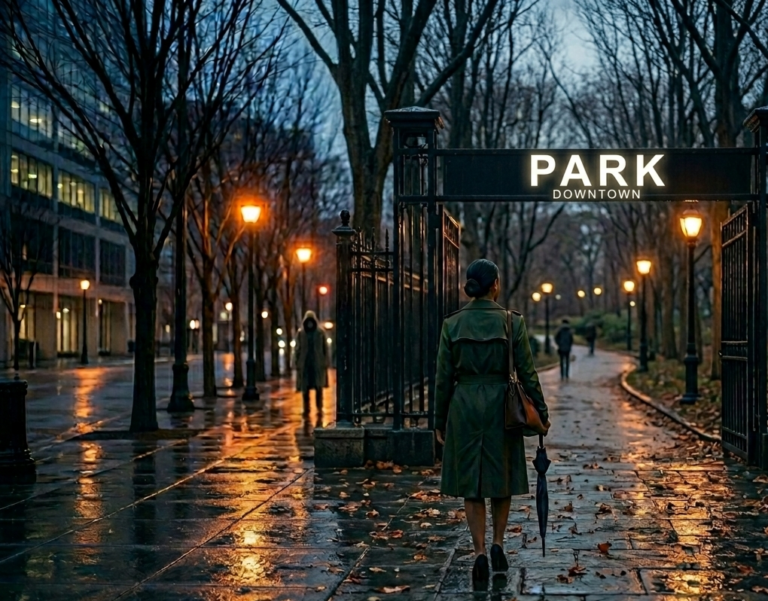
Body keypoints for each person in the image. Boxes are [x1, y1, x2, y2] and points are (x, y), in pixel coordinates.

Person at [434, 259, 550, 584]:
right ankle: (499, 542)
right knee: (502, 476)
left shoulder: (452, 324)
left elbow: (443, 377)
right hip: (502, 405)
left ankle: (480, 551)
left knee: (472, 483)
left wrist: (438, 419)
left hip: (464, 406)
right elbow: (527, 372)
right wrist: (540, 411)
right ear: (495, 285)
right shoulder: (512, 322)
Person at [295, 310, 328, 413]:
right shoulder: (301, 333)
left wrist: (325, 361)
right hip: (306, 364)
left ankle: (319, 407)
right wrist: (297, 362)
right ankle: (306, 408)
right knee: (306, 389)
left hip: (317, 364)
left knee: (319, 388)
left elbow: (325, 349)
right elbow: (297, 348)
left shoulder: (320, 333)